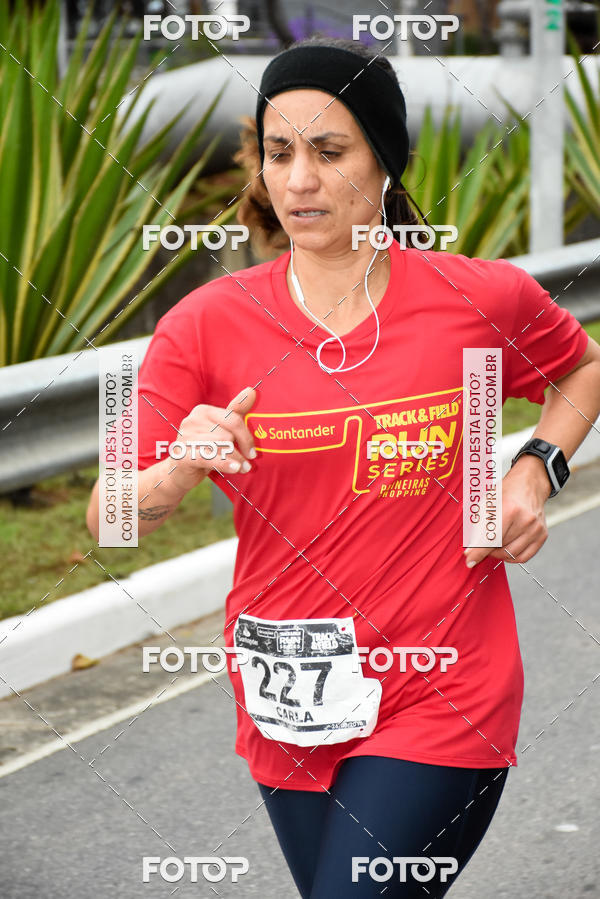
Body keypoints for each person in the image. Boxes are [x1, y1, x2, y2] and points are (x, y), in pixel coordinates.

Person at [87, 37, 600, 897]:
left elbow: (581, 368)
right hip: (289, 695)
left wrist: (534, 468)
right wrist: (175, 470)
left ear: (385, 161)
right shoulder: (202, 324)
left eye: (329, 151)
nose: (299, 180)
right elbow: (109, 515)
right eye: (279, 152)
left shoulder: (478, 297)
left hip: (444, 687)